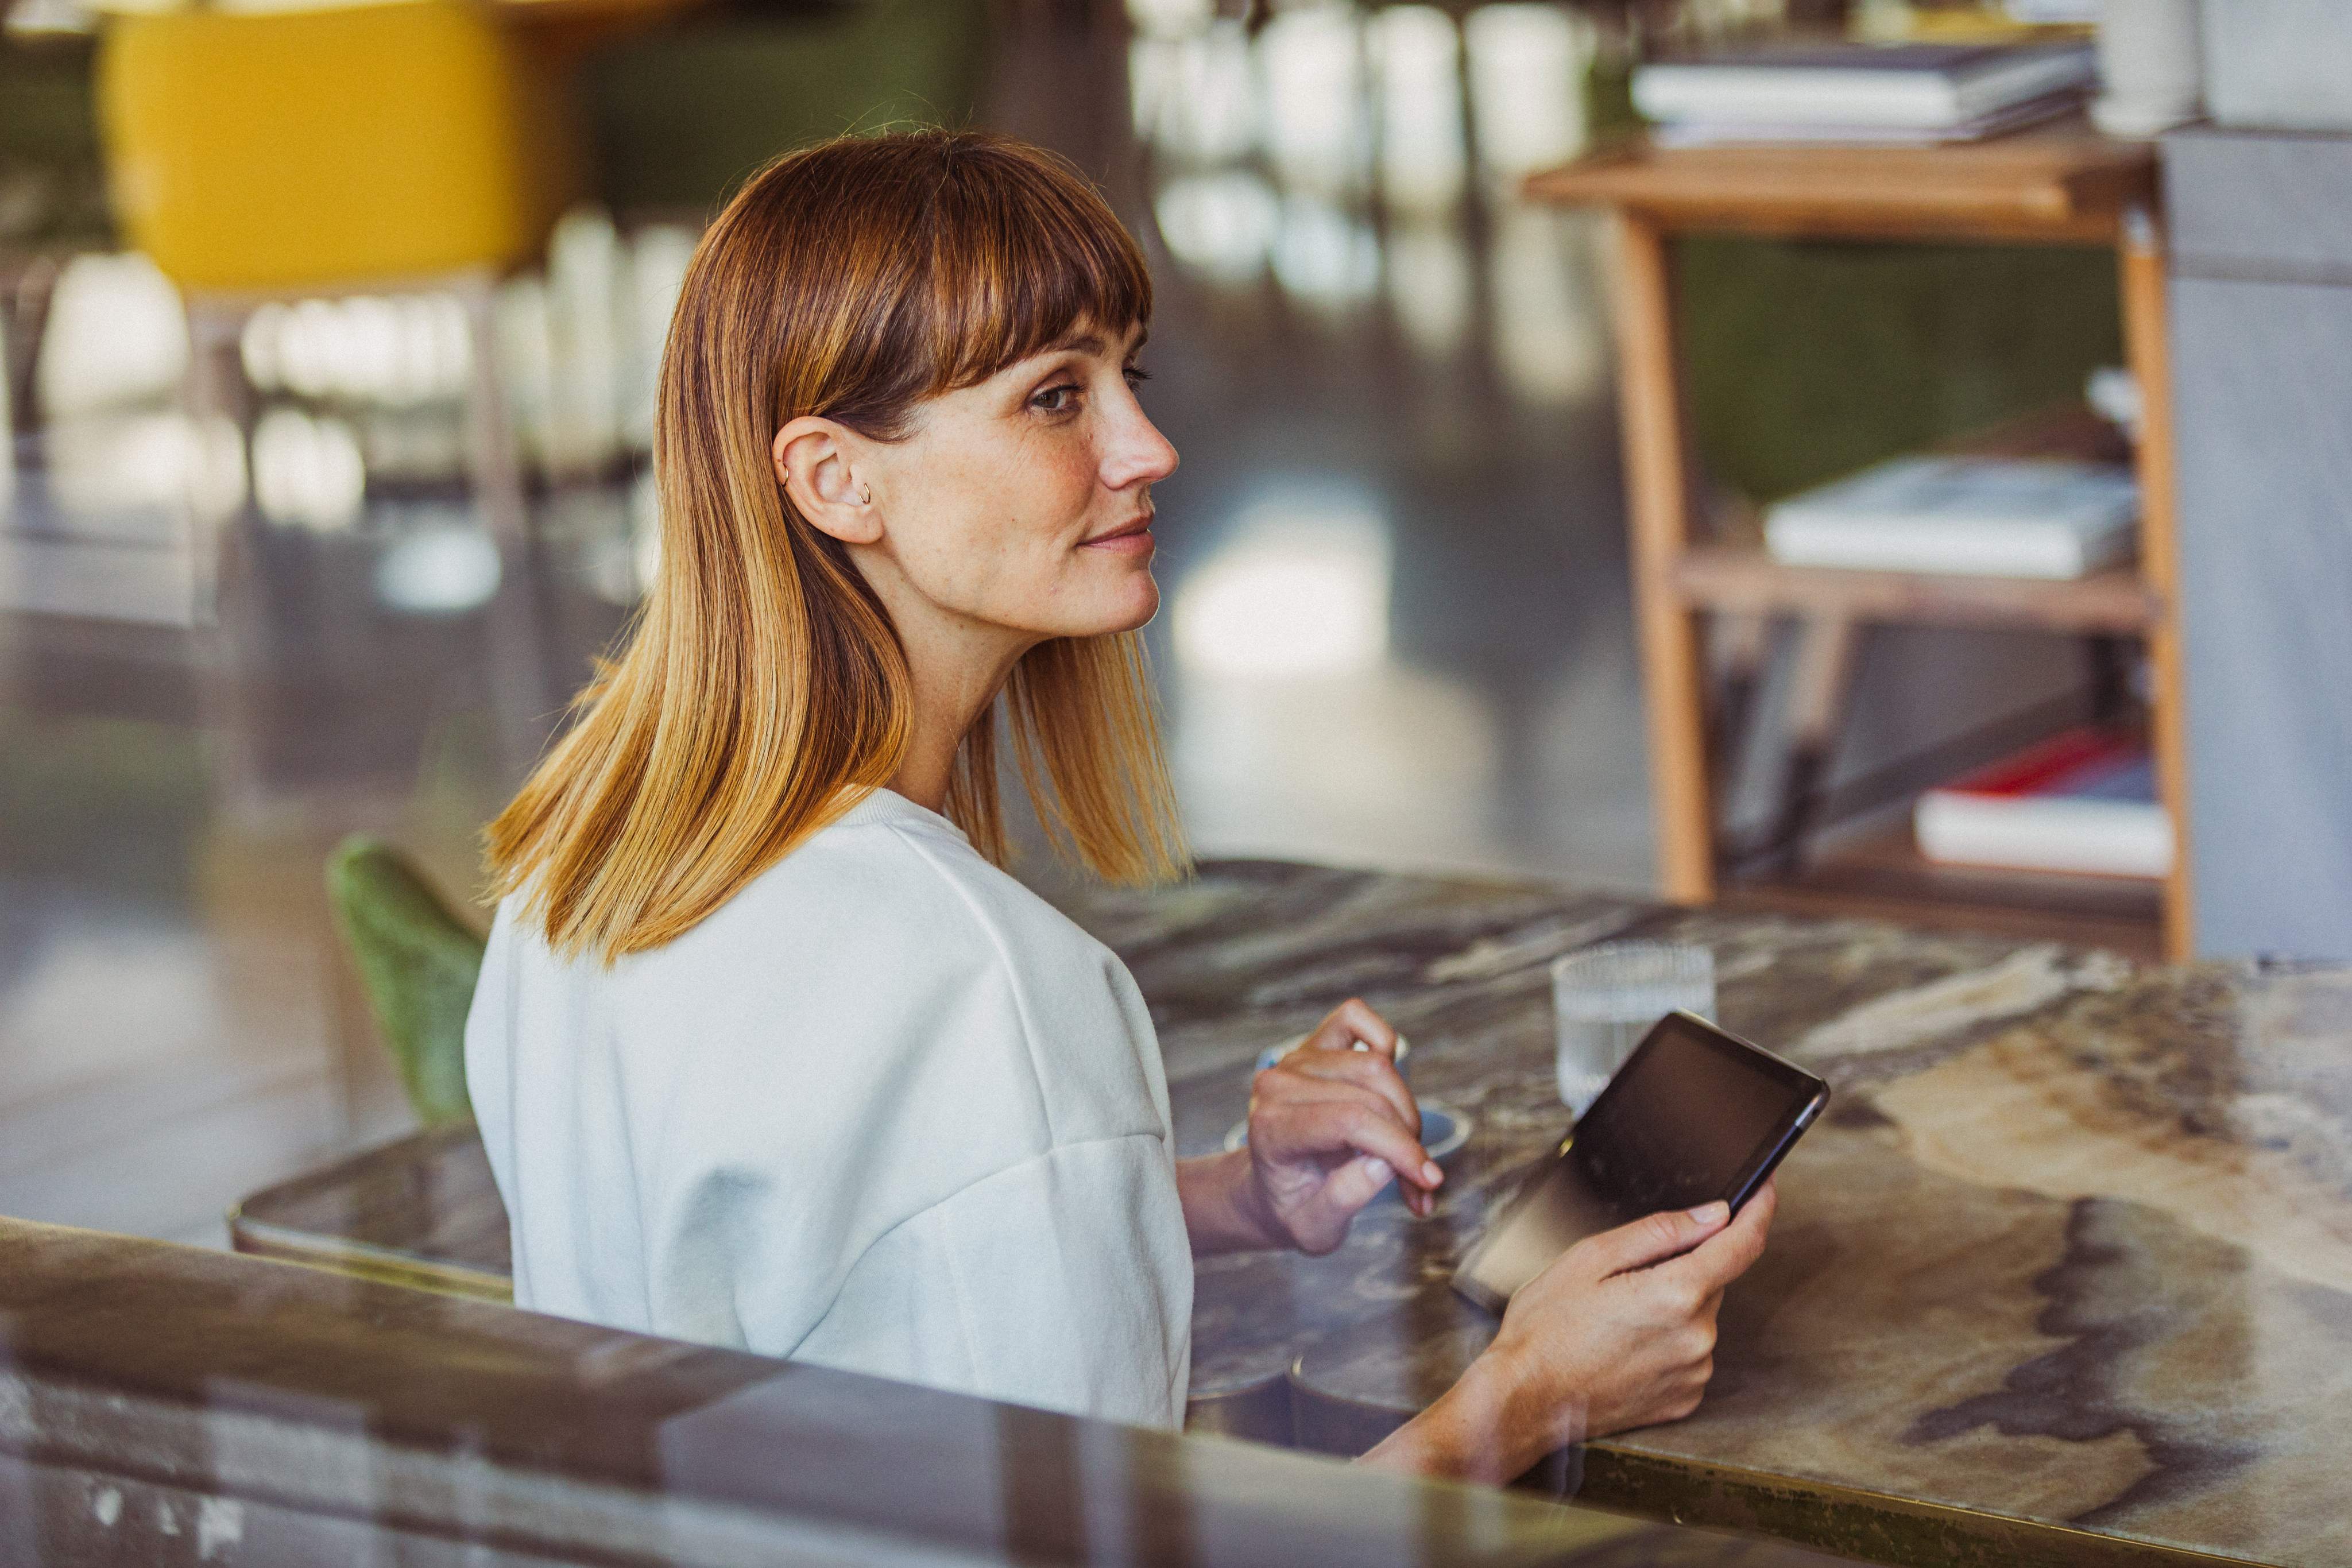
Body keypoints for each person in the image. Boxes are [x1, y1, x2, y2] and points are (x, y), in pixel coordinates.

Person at [464, 128, 1774, 1485]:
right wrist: (1535, 1392)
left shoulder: (581, 879)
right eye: (1050, 399)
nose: (1145, 446)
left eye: (1123, 376)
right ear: (833, 479)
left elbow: (817, 1280)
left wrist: (1223, 1200)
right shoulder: (978, 986)